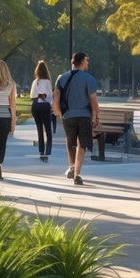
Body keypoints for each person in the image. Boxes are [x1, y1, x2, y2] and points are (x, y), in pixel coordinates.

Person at [52, 52, 100, 186]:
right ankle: (77, 174)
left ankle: (72, 166)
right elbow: (93, 100)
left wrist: (59, 113)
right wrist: (96, 115)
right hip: (84, 115)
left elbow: (55, 97)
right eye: (87, 60)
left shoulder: (62, 78)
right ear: (83, 61)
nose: (88, 63)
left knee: (69, 141)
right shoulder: (89, 78)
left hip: (68, 115)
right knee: (82, 144)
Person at [29, 60, 55, 162]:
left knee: (39, 129)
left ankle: (41, 151)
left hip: (35, 106)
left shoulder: (35, 82)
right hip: (44, 106)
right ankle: (47, 152)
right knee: (48, 129)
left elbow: (32, 96)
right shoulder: (47, 82)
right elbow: (49, 96)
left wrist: (38, 96)